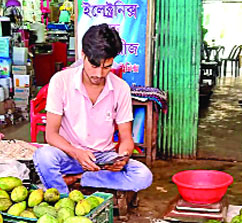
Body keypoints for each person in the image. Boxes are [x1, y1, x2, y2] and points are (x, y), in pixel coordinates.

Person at [33, 24, 153, 194]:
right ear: (83, 54)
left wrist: (123, 157)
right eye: (94, 65)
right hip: (69, 154)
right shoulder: (60, 81)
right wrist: (76, 152)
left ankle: (78, 178)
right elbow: (51, 134)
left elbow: (126, 137)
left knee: (143, 176)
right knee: (43, 157)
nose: (99, 74)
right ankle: (62, 198)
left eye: (107, 67)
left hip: (104, 157)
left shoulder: (121, 88)